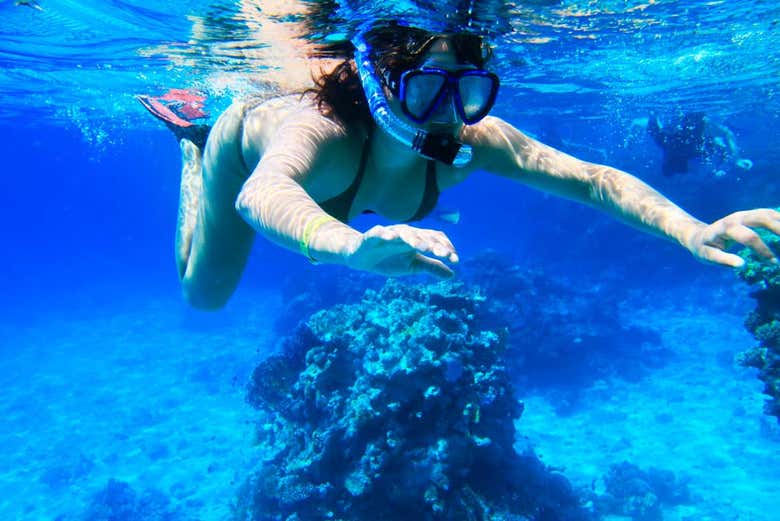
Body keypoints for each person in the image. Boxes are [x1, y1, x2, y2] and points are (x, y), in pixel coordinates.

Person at [140, 23, 780, 310]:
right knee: (204, 296)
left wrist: (689, 229)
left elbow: (594, 180)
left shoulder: (476, 138)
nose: (448, 113)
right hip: (242, 140)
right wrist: (348, 246)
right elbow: (263, 194)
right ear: (382, 89)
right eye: (425, 91)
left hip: (332, 196)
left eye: (467, 92)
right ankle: (190, 147)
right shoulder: (326, 129)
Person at [647, 112, 753, 177]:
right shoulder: (663, 142)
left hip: (694, 119)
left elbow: (725, 137)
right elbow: (653, 120)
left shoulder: (694, 150)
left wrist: (736, 159)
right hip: (691, 117)